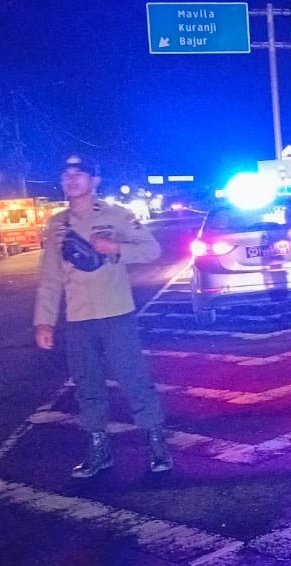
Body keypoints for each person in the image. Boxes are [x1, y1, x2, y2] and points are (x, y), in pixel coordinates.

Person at [34, 154, 173, 478]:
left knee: (134, 380)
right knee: (87, 386)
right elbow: (50, 275)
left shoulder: (117, 215)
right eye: (66, 173)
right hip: (79, 319)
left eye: (79, 173)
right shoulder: (57, 224)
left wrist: (115, 248)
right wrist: (44, 321)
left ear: (94, 180)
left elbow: (151, 250)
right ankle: (99, 450)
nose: (71, 178)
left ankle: (156, 443)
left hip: (116, 314)